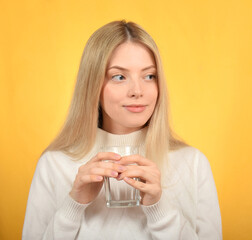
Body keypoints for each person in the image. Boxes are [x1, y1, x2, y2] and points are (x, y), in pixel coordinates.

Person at [23, 20, 222, 240]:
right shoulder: (54, 164)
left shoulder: (193, 163)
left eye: (149, 76)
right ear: (92, 85)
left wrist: (159, 209)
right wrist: (74, 204)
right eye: (119, 76)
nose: (137, 91)